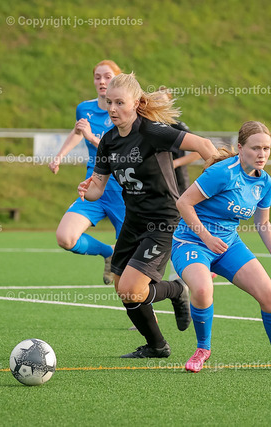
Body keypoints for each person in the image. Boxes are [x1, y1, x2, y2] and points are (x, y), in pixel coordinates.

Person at [77, 72, 218, 358]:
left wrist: (216, 186)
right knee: (122, 288)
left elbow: (204, 146)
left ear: (136, 103)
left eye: (120, 102)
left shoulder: (153, 132)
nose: (113, 108)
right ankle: (157, 346)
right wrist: (86, 190)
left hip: (163, 220)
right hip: (133, 220)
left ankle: (176, 290)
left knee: (132, 289)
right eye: (109, 102)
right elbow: (97, 189)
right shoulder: (108, 141)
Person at [171, 121, 271, 372]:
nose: (262, 154)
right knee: (202, 289)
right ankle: (203, 349)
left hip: (228, 244)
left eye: (266, 149)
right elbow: (183, 203)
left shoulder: (264, 182)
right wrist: (206, 238)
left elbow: (263, 223)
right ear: (240, 147)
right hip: (191, 241)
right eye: (255, 148)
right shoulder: (223, 172)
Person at [48, 60, 125, 285]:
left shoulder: (126, 113)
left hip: (124, 192)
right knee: (65, 237)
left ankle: (148, 310)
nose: (102, 81)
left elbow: (121, 152)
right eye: (97, 77)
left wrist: (91, 137)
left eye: (108, 76)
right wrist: (59, 156)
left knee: (128, 267)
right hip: (94, 188)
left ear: (118, 79)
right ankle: (108, 252)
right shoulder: (84, 108)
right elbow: (78, 131)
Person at [157, 86, 201, 195]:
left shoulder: (176, 125)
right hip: (157, 182)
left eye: (163, 101)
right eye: (156, 101)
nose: (159, 104)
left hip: (178, 182)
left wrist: (175, 163)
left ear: (169, 104)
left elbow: (198, 152)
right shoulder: (147, 126)